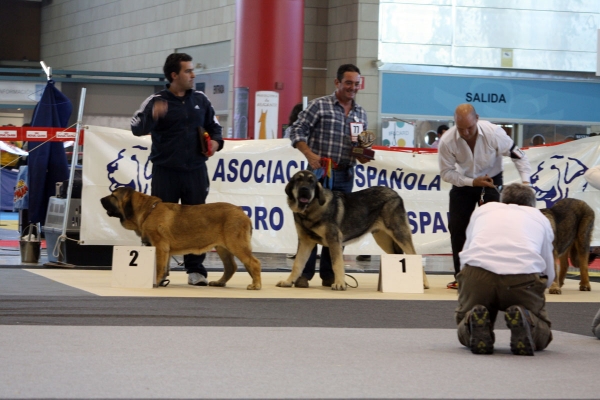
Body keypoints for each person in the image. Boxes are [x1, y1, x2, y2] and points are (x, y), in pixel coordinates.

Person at [131, 52, 223, 286]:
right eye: (188, 71)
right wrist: (152, 116)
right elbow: (136, 127)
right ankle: (159, 271)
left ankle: (196, 270)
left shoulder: (201, 99)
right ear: (174, 75)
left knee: (197, 221)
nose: (192, 75)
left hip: (195, 171)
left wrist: (215, 142)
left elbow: (215, 128)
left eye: (192, 70)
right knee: (158, 223)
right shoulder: (156, 100)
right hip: (165, 171)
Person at [289, 63, 370, 288]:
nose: (352, 88)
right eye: (348, 83)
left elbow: (361, 146)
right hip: (318, 176)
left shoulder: (361, 113)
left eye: (356, 84)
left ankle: (331, 274)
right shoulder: (319, 106)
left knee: (336, 227)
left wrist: (363, 155)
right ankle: (303, 274)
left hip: (345, 174)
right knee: (308, 222)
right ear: (337, 83)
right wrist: (309, 153)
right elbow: (295, 130)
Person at [438, 104, 531, 290]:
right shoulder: (447, 141)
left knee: (494, 229)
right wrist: (472, 182)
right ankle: (461, 276)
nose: (465, 132)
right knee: (457, 228)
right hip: (464, 182)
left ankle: (495, 275)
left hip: (491, 180)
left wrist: (526, 183)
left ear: (477, 118)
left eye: (469, 127)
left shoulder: (494, 132)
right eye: (460, 127)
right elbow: (446, 173)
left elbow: (518, 155)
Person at [455, 183, 555, 355]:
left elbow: (467, 249)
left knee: (465, 318)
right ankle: (528, 320)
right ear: (532, 204)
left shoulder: (483, 210)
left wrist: (466, 280)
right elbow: (547, 264)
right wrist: (543, 286)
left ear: (502, 199)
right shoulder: (540, 217)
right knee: (542, 335)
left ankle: (473, 319)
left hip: (477, 274)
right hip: (522, 277)